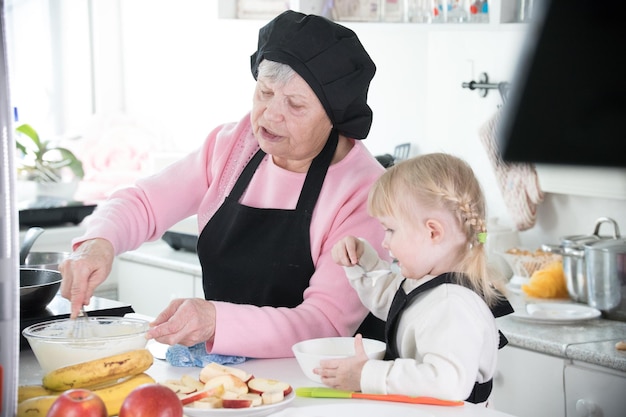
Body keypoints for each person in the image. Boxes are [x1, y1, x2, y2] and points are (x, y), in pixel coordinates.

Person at [59, 10, 391, 359]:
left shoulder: (365, 192)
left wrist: (217, 321)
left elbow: (324, 324)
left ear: (334, 115)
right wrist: (97, 242)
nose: (270, 114)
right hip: (226, 376)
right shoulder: (233, 145)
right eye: (264, 92)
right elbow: (144, 202)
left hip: (322, 386)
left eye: (295, 105)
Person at [319, 153, 514, 404]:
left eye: (391, 229)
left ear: (433, 232)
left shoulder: (453, 305)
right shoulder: (428, 286)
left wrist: (367, 375)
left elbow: (446, 383)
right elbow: (392, 300)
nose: (384, 242)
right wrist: (362, 260)